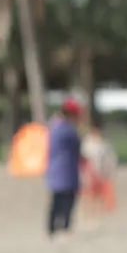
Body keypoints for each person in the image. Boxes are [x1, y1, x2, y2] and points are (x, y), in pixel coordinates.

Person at [44, 97, 84, 236]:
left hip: (55, 170)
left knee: (56, 201)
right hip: (66, 171)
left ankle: (51, 228)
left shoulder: (53, 126)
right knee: (67, 201)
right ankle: (64, 227)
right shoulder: (67, 130)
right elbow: (78, 146)